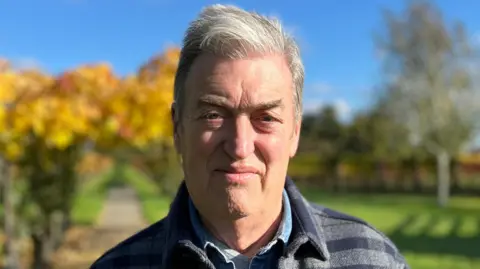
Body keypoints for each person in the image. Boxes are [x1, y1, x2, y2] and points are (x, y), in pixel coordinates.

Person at [90, 4, 409, 269]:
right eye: (214, 114)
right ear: (178, 128)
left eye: (266, 118)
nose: (240, 146)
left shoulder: (373, 258)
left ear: (294, 132)